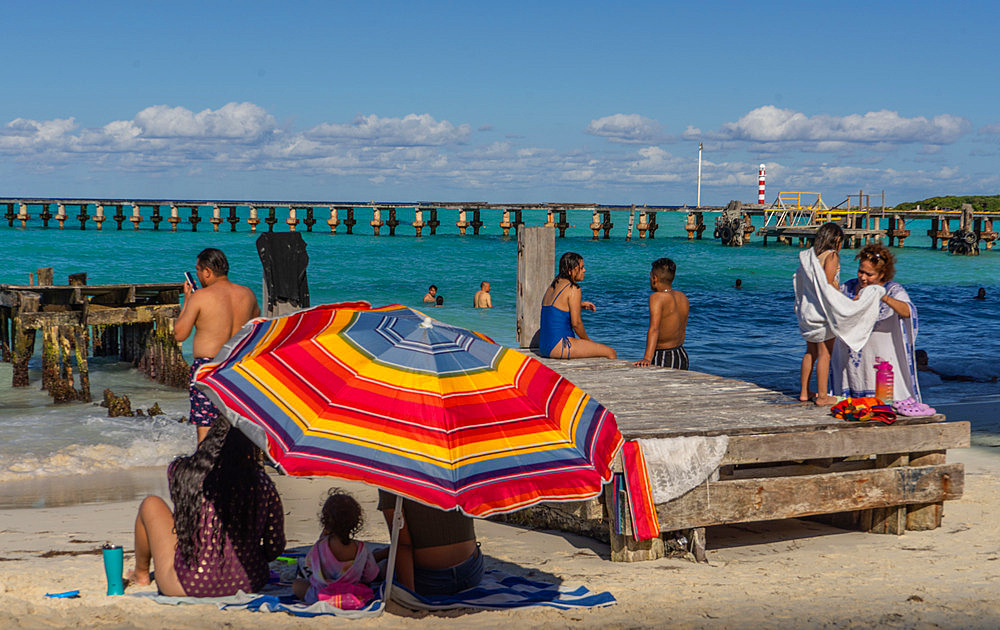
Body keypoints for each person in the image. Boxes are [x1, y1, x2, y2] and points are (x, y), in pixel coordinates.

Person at [127, 416, 285, 597]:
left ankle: (141, 575)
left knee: (151, 504)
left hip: (190, 584)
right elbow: (275, 547)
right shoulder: (261, 483)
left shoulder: (182, 472)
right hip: (249, 582)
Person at [175, 248, 261, 444]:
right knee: (237, 424)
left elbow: (180, 334)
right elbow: (257, 327)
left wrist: (188, 301)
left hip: (208, 366)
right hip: (236, 366)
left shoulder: (201, 296)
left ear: (207, 271)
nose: (197, 274)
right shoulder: (247, 294)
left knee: (206, 425)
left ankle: (208, 471)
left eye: (197, 270)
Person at [793, 223, 884, 405]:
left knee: (810, 352)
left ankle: (804, 392)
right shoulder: (832, 255)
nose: (841, 245)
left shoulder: (810, 258)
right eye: (841, 241)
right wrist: (846, 301)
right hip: (823, 313)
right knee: (825, 353)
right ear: (835, 240)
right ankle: (823, 396)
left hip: (808, 311)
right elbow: (828, 282)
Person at [831, 244, 921, 403]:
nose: (863, 277)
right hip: (853, 361)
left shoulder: (892, 289)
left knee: (881, 403)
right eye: (861, 271)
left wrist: (882, 296)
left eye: (869, 274)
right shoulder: (850, 287)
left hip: (881, 361)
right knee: (853, 406)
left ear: (882, 274)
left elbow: (908, 311)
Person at [376, 491, 483, 597]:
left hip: (430, 582)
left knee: (384, 567)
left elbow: (403, 545)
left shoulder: (393, 480)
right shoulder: (456, 476)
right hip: (471, 573)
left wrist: (410, 597)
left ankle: (377, 556)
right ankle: (379, 554)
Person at [293, 490, 379, 606]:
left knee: (297, 585)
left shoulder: (319, 546)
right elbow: (370, 576)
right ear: (356, 522)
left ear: (326, 521)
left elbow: (310, 567)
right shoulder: (361, 549)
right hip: (352, 595)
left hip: (322, 596)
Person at [538, 252, 616, 359]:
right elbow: (576, 324)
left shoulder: (553, 286)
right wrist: (587, 340)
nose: (584, 270)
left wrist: (579, 305)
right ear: (571, 271)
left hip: (544, 346)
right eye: (581, 268)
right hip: (561, 346)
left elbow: (556, 308)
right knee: (610, 352)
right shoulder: (573, 288)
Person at [633, 258, 690, 369]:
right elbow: (682, 330)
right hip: (681, 354)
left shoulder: (657, 297)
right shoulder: (682, 297)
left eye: (650, 276)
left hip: (664, 355)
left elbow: (654, 329)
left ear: (655, 278)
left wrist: (647, 358)